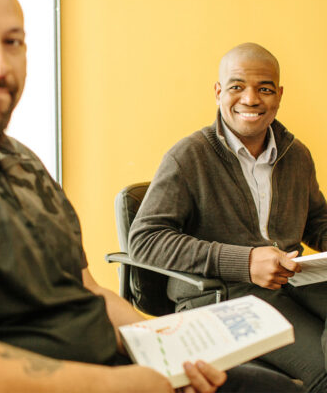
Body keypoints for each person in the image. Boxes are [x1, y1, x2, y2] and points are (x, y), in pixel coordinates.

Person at [0, 0, 304, 392]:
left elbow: (87, 287)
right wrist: (121, 384)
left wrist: (168, 350)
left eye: (13, 41)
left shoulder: (22, 160)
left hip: (119, 360)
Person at [128, 42, 327, 392]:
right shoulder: (188, 156)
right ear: (219, 92)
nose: (251, 99)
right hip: (225, 296)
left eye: (264, 89)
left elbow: (316, 222)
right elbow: (145, 240)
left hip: (292, 283)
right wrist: (244, 260)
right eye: (237, 87)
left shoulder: (296, 155)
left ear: (279, 94)